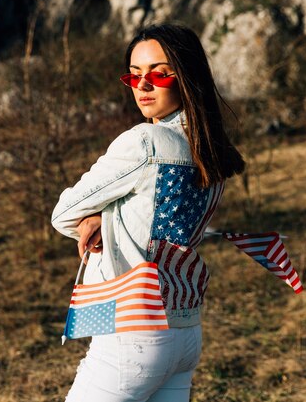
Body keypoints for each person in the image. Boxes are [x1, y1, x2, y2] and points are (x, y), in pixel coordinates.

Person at [51, 23, 246, 402]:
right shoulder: (212, 152)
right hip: (185, 329)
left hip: (134, 331)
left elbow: (63, 214)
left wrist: (98, 217)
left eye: (159, 73)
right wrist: (107, 216)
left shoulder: (145, 141)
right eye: (134, 75)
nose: (143, 85)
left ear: (186, 76)